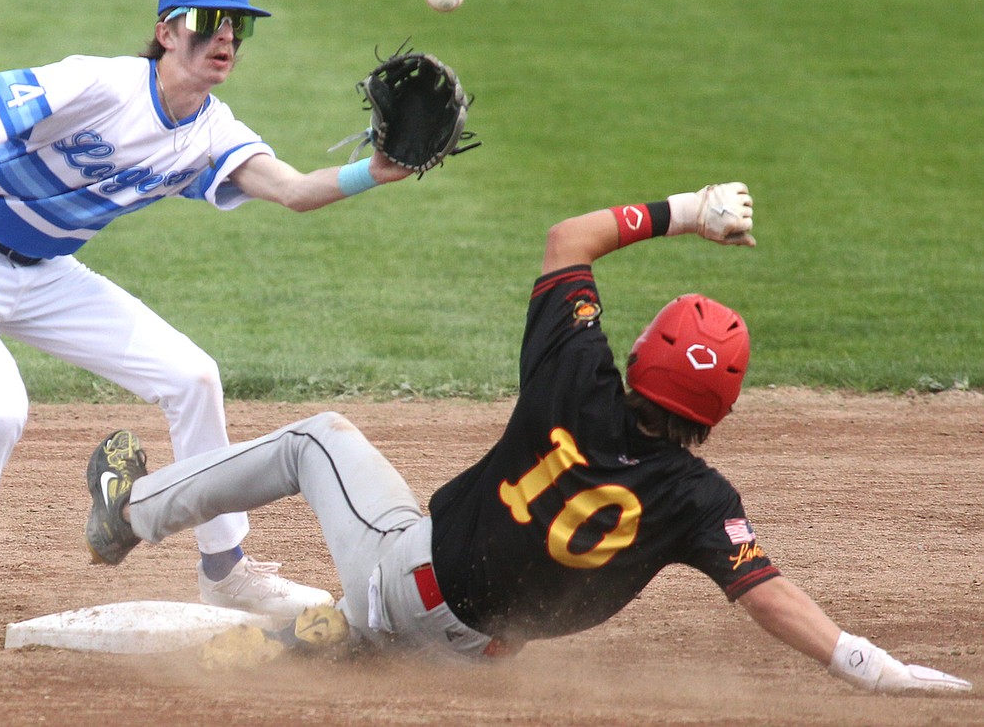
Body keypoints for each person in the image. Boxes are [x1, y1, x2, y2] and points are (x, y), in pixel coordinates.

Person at [82, 182, 972, 694]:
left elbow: (566, 238)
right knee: (440, 603)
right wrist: (869, 664)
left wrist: (690, 210)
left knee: (318, 438)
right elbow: (767, 595)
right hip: (479, 656)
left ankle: (127, 516)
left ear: (639, 358)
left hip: (405, 574)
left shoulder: (574, 374)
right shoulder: (701, 501)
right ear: (719, 412)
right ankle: (345, 632)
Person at [0, 0, 421, 649]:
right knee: (1, 410)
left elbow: (292, 190)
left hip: (45, 273)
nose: (226, 37)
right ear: (167, 30)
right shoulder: (104, 84)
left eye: (238, 27)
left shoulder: (213, 130)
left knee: (193, 376)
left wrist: (373, 171)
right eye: (210, 21)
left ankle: (225, 568)